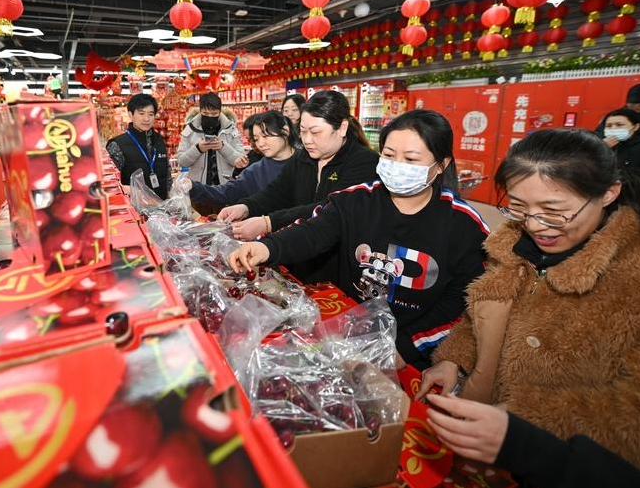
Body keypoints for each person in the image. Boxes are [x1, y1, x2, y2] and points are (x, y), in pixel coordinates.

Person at [417, 128, 640, 480]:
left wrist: (524, 426)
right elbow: (480, 317)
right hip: (484, 447)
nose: (534, 225)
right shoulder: (513, 249)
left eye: (554, 211)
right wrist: (455, 358)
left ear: (608, 193)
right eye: (517, 207)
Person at [227, 110, 489, 369]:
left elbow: (463, 300)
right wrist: (267, 247)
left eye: (410, 159)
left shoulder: (464, 225)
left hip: (419, 352)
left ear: (440, 165)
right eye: (388, 155)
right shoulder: (355, 201)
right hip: (350, 333)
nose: (397, 165)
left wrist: (407, 347)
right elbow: (313, 231)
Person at [218, 90, 379, 284]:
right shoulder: (304, 157)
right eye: (303, 131)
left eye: (316, 132)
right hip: (297, 259)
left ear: (342, 128)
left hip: (337, 269)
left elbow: (326, 210)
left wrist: (268, 222)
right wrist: (246, 207)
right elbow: (277, 191)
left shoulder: (364, 163)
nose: (307, 140)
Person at [426, 394, 640, 488]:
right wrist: (453, 359)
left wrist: (522, 438)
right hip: (495, 428)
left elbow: (635, 407)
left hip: (554, 447)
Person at [187, 110, 298, 210]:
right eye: (256, 139)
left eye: (265, 136)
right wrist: (193, 187)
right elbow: (226, 192)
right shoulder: (256, 171)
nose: (260, 144)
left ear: (285, 131)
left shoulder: (308, 162)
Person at [176, 92, 246, 189]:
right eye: (205, 113)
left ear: (220, 112)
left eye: (214, 114)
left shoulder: (230, 130)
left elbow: (241, 160)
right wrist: (197, 149)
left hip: (225, 189)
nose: (210, 116)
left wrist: (223, 147)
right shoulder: (190, 130)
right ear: (200, 111)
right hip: (198, 189)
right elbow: (181, 161)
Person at [105, 93, 170, 199]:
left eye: (150, 114)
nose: (146, 119)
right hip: (136, 211)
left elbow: (167, 173)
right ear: (130, 115)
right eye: (141, 113)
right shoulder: (117, 145)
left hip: (162, 208)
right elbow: (113, 184)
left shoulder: (159, 140)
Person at [597, 107, 640, 190]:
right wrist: (600, 148)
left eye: (619, 125)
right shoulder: (605, 144)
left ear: (636, 127)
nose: (613, 128)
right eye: (608, 126)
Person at [231, 114, 264, 179]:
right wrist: (239, 167)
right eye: (249, 140)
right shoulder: (251, 156)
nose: (251, 144)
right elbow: (236, 177)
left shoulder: (274, 157)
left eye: (254, 139)